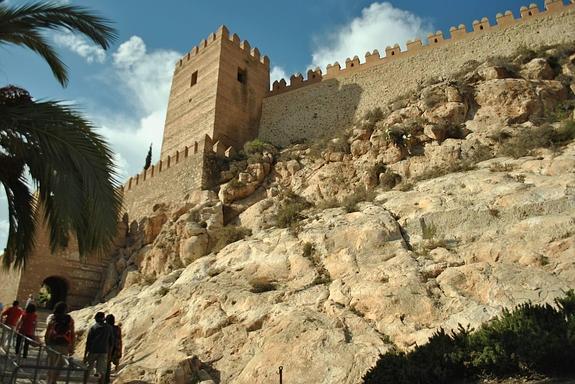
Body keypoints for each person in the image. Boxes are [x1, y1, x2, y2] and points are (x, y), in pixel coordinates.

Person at [45, 302, 75, 384]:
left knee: (51, 365)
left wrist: (46, 344)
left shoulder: (53, 318)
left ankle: (49, 381)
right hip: (64, 345)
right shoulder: (70, 319)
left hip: (53, 344)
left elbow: (47, 332)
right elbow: (72, 333)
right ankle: (54, 381)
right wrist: (72, 346)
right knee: (59, 366)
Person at [84, 312, 113, 383]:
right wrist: (109, 354)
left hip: (93, 351)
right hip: (104, 351)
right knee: (102, 372)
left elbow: (88, 342)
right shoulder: (109, 328)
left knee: (88, 369)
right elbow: (111, 342)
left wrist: (85, 355)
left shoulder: (93, 328)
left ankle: (85, 382)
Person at [105, 314, 122, 382]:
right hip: (115, 348)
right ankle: (106, 379)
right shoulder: (117, 328)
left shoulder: (105, 328)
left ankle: (104, 379)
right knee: (108, 364)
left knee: (106, 364)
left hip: (106, 348)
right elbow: (119, 339)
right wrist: (119, 350)